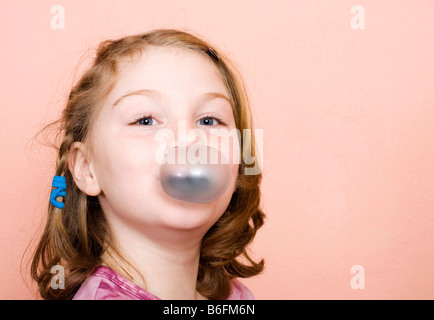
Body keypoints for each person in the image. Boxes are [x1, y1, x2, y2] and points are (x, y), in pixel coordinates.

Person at [30, 29, 265, 300]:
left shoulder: (235, 297)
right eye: (145, 120)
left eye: (209, 120)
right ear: (86, 168)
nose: (189, 138)